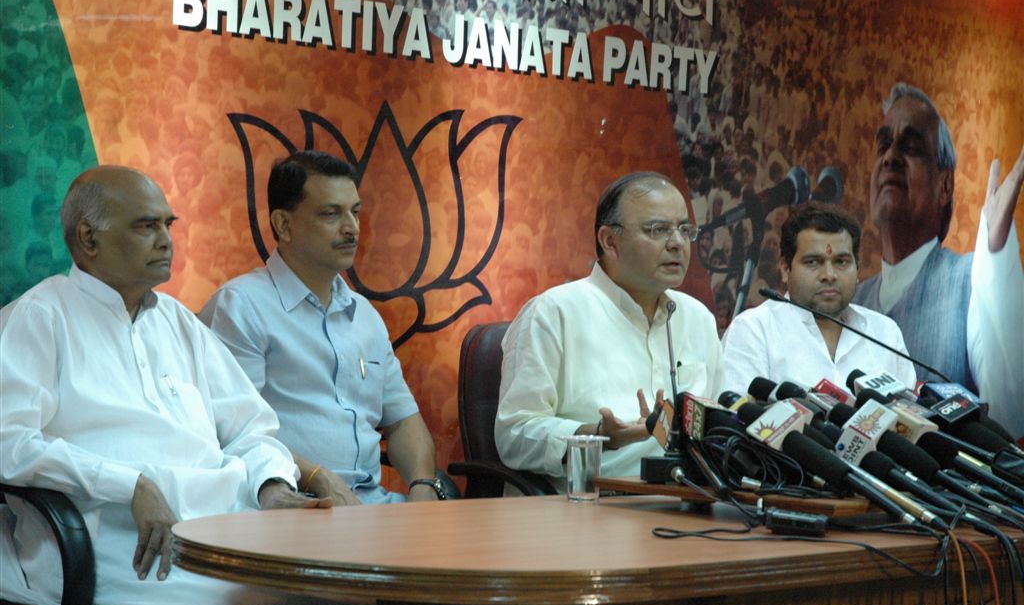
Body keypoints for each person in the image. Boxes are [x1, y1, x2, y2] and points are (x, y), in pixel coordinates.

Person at [0, 166, 374, 605]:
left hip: (227, 531)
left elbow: (250, 429)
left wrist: (273, 486)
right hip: (120, 545)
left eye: (167, 225)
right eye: (145, 226)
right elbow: (10, 444)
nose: (165, 241)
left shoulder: (178, 321)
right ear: (88, 239)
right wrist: (129, 484)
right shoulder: (39, 317)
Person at [200, 151, 444, 504]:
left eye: (355, 212)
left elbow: (403, 421)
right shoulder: (240, 307)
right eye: (331, 214)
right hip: (294, 505)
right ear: (284, 225)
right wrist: (315, 477)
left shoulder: (364, 315)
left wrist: (423, 485)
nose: (352, 228)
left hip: (374, 505)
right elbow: (232, 431)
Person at [495, 171, 722, 492]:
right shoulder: (553, 312)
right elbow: (513, 435)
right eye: (658, 230)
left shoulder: (697, 318)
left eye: (685, 230)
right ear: (609, 241)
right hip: (586, 510)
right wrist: (598, 434)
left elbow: (719, 423)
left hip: (687, 502)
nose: (677, 243)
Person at [852, 83, 1024, 437]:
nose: (890, 157)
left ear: (945, 186)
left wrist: (996, 250)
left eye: (910, 147)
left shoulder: (970, 280)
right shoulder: (852, 302)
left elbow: (1010, 411)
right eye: (883, 145)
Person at [721, 202, 916, 395]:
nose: (829, 275)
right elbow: (736, 418)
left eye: (841, 262)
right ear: (784, 269)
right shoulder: (754, 331)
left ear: (857, 268)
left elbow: (911, 420)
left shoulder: (885, 333)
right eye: (813, 262)